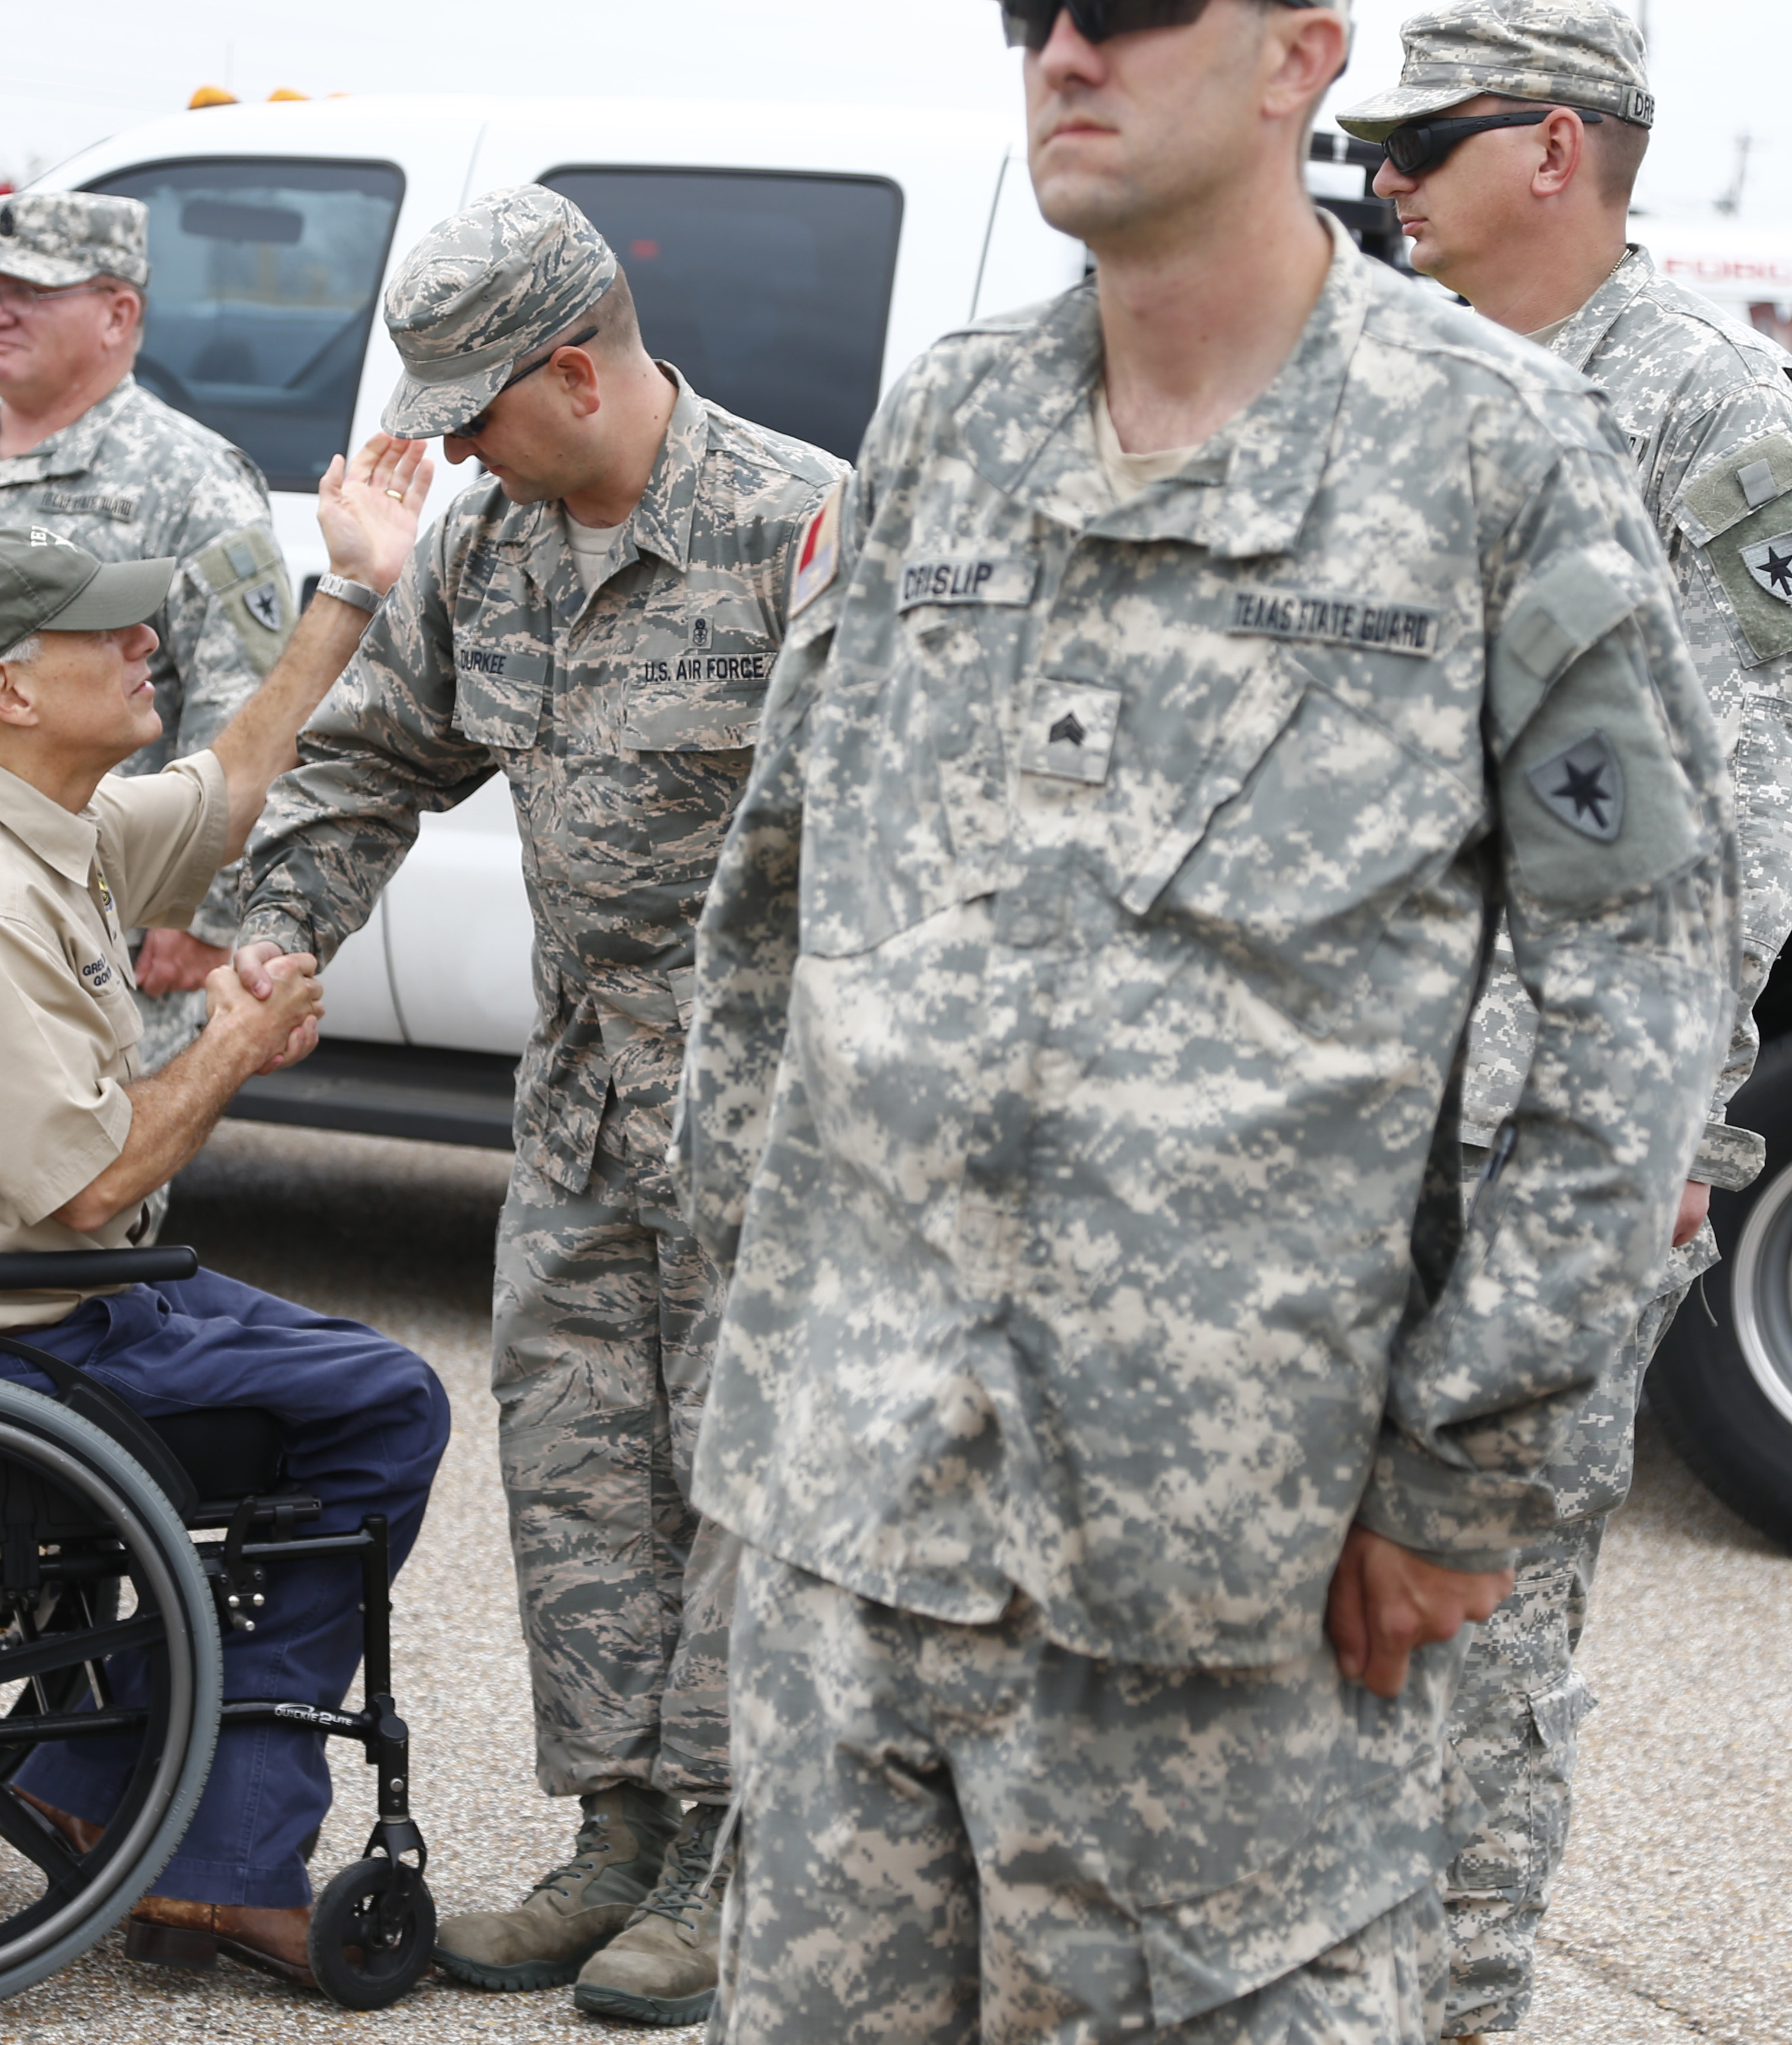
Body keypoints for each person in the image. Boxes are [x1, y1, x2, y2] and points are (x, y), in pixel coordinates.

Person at [672, 0, 1738, 2036]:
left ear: (1294, 57)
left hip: (1228, 1586)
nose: (1065, 50)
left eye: (1135, 4)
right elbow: (779, 896)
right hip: (856, 1532)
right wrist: (763, 1333)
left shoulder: (1490, 450)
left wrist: (1465, 1467)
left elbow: (1630, 1005)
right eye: (1025, 12)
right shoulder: (946, 425)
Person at [230, 185, 845, 2026]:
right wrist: (276, 933)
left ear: (573, 370)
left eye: (478, 411)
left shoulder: (804, 529)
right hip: (582, 1100)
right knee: (580, 1466)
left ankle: (734, 1866)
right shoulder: (497, 550)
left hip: (778, 1108)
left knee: (758, 1482)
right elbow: (372, 763)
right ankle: (616, 1840)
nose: (459, 452)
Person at [1336, 5, 1792, 2035]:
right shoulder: (1397, 385)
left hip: (1544, 1141)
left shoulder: (1697, 411)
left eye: (1423, 139)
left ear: (1550, 148)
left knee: (1484, 1619)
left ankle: (1454, 2006)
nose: (1379, 176)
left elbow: (1738, 817)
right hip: (1354, 1118)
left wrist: (1622, 1143)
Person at [0, 491, 448, 1991]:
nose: (146, 637)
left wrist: (348, 593)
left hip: (33, 1297)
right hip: (24, 1332)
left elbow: (229, 789)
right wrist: (230, 1043)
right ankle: (220, 1856)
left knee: (345, 1373)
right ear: (10, 688)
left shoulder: (25, 815)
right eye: (109, 630)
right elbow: (90, 1187)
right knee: (386, 1409)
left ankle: (99, 1777)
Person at [0, 189, 363, 1080]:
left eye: (29, 291)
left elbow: (245, 707)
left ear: (118, 313)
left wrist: (203, 915)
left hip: (75, 923)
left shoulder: (190, 478)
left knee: (81, 1193)